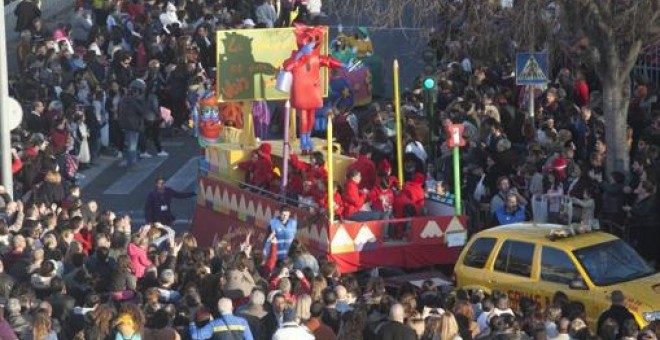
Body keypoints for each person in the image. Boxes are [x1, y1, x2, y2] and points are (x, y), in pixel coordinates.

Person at [189, 298, 254, 340]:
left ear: (219, 310)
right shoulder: (243, 322)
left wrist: (192, 323)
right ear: (232, 308)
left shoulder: (213, 325)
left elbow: (195, 336)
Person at [118, 79, 148, 170]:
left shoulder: (124, 98)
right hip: (134, 125)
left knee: (128, 143)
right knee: (133, 145)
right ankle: (132, 163)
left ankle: (126, 160)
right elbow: (142, 111)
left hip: (125, 125)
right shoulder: (134, 100)